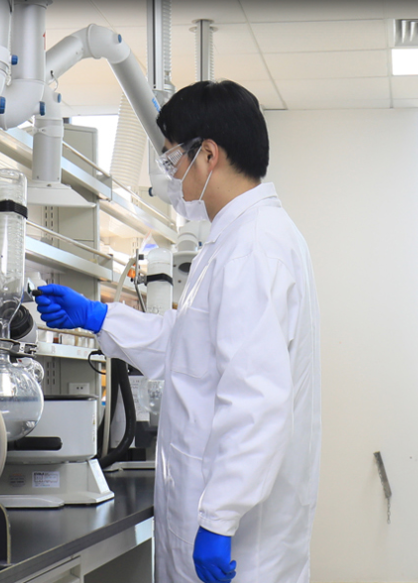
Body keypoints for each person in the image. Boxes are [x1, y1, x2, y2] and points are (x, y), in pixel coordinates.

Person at [35, 80, 320, 583]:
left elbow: (257, 399)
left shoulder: (252, 249)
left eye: (172, 161)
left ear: (208, 155)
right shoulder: (238, 240)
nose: (171, 178)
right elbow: (190, 345)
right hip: (217, 511)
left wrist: (220, 518)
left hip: (238, 540)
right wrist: (100, 317)